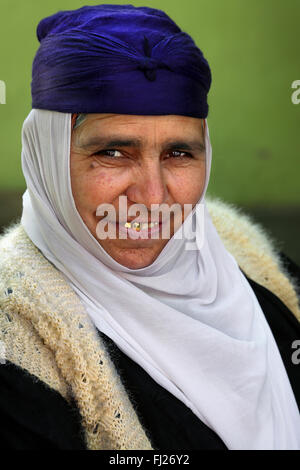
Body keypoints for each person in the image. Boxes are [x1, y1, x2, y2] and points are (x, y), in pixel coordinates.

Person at [0, 4, 299, 451]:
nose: (154, 198)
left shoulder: (253, 263)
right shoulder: (16, 341)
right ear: (46, 158)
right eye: (114, 152)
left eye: (180, 153)